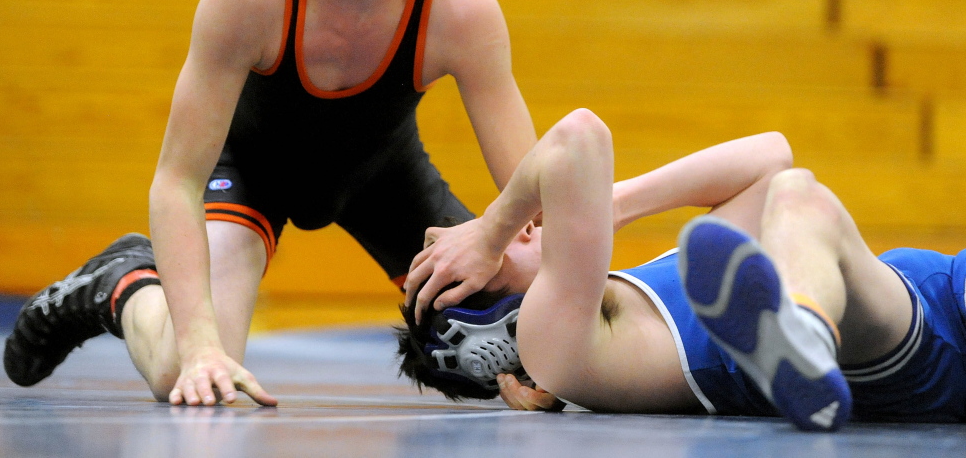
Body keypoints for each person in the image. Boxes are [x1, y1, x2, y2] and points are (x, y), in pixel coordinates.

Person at [3, 0, 537, 408]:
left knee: (512, 338)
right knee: (186, 369)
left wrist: (546, 346)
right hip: (252, 172)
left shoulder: (458, 6)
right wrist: (202, 343)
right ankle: (118, 283)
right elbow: (176, 180)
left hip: (383, 176)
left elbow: (531, 198)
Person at [399, 109, 966, 430]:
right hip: (905, 348)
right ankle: (805, 336)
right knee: (800, 201)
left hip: (934, 297)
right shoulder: (553, 349)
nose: (515, 228)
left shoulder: (648, 291)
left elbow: (769, 156)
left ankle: (802, 332)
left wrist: (610, 207)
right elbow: (578, 139)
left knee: (783, 198)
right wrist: (493, 227)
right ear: (490, 334)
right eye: (484, 262)